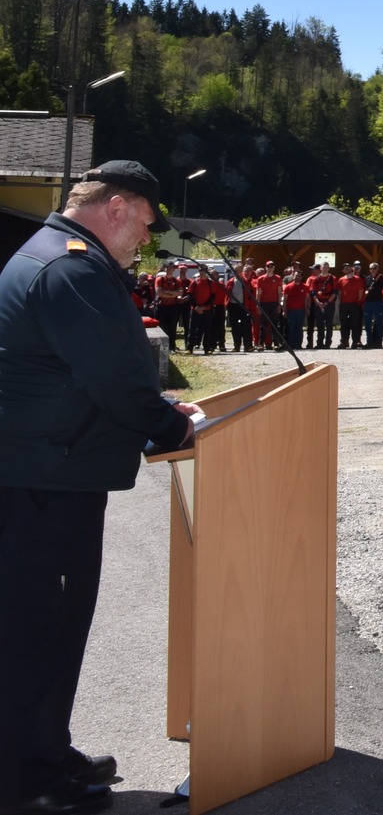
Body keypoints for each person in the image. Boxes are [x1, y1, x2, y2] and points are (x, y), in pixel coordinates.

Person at [0, 162, 197, 815]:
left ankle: (44, 749)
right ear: (118, 206)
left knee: (46, 625)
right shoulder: (72, 268)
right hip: (45, 483)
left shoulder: (54, 253)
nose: (146, 237)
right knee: (40, 630)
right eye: (145, 222)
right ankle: (27, 779)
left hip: (47, 472)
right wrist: (173, 425)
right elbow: (114, 380)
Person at [337, 262, 366, 348]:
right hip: (344, 305)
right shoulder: (341, 280)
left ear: (351, 268)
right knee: (344, 324)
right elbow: (339, 292)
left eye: (348, 267)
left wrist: (358, 301)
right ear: (343, 270)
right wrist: (341, 301)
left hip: (354, 305)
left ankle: (355, 341)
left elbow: (361, 291)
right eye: (345, 268)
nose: (347, 269)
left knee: (355, 324)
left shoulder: (357, 279)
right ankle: (344, 341)